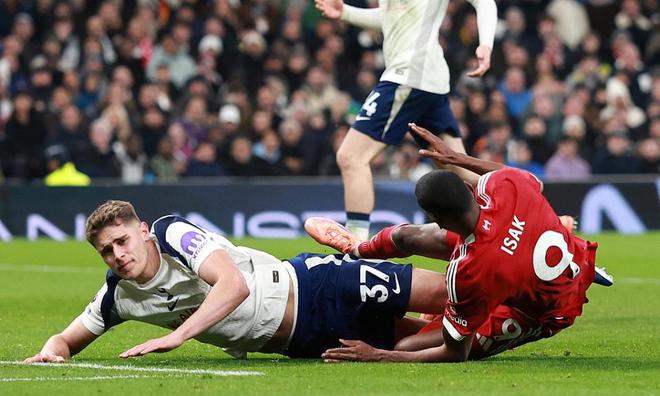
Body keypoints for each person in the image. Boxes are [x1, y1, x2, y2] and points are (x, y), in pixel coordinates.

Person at [305, 123, 613, 363]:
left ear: (439, 219)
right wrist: (457, 158)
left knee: (408, 345)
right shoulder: (509, 186)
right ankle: (357, 247)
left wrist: (381, 356)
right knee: (407, 237)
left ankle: (459, 313)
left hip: (546, 310)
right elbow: (522, 178)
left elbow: (455, 353)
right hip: (535, 252)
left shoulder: (469, 271)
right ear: (469, 187)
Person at [24, 200, 448, 363]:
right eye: (106, 251)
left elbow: (233, 285)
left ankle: (483, 271)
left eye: (122, 241)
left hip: (318, 285)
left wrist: (178, 336)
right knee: (442, 342)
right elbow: (64, 340)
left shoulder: (172, 234)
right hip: (305, 342)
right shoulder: (118, 296)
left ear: (144, 231)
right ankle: (480, 326)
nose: (118, 255)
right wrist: (51, 354)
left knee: (455, 292)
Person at [314, 0, 497, 240]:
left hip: (408, 77)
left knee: (351, 157)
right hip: (427, 81)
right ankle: (519, 207)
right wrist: (346, 13)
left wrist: (486, 44)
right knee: (460, 169)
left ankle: (355, 248)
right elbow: (393, 17)